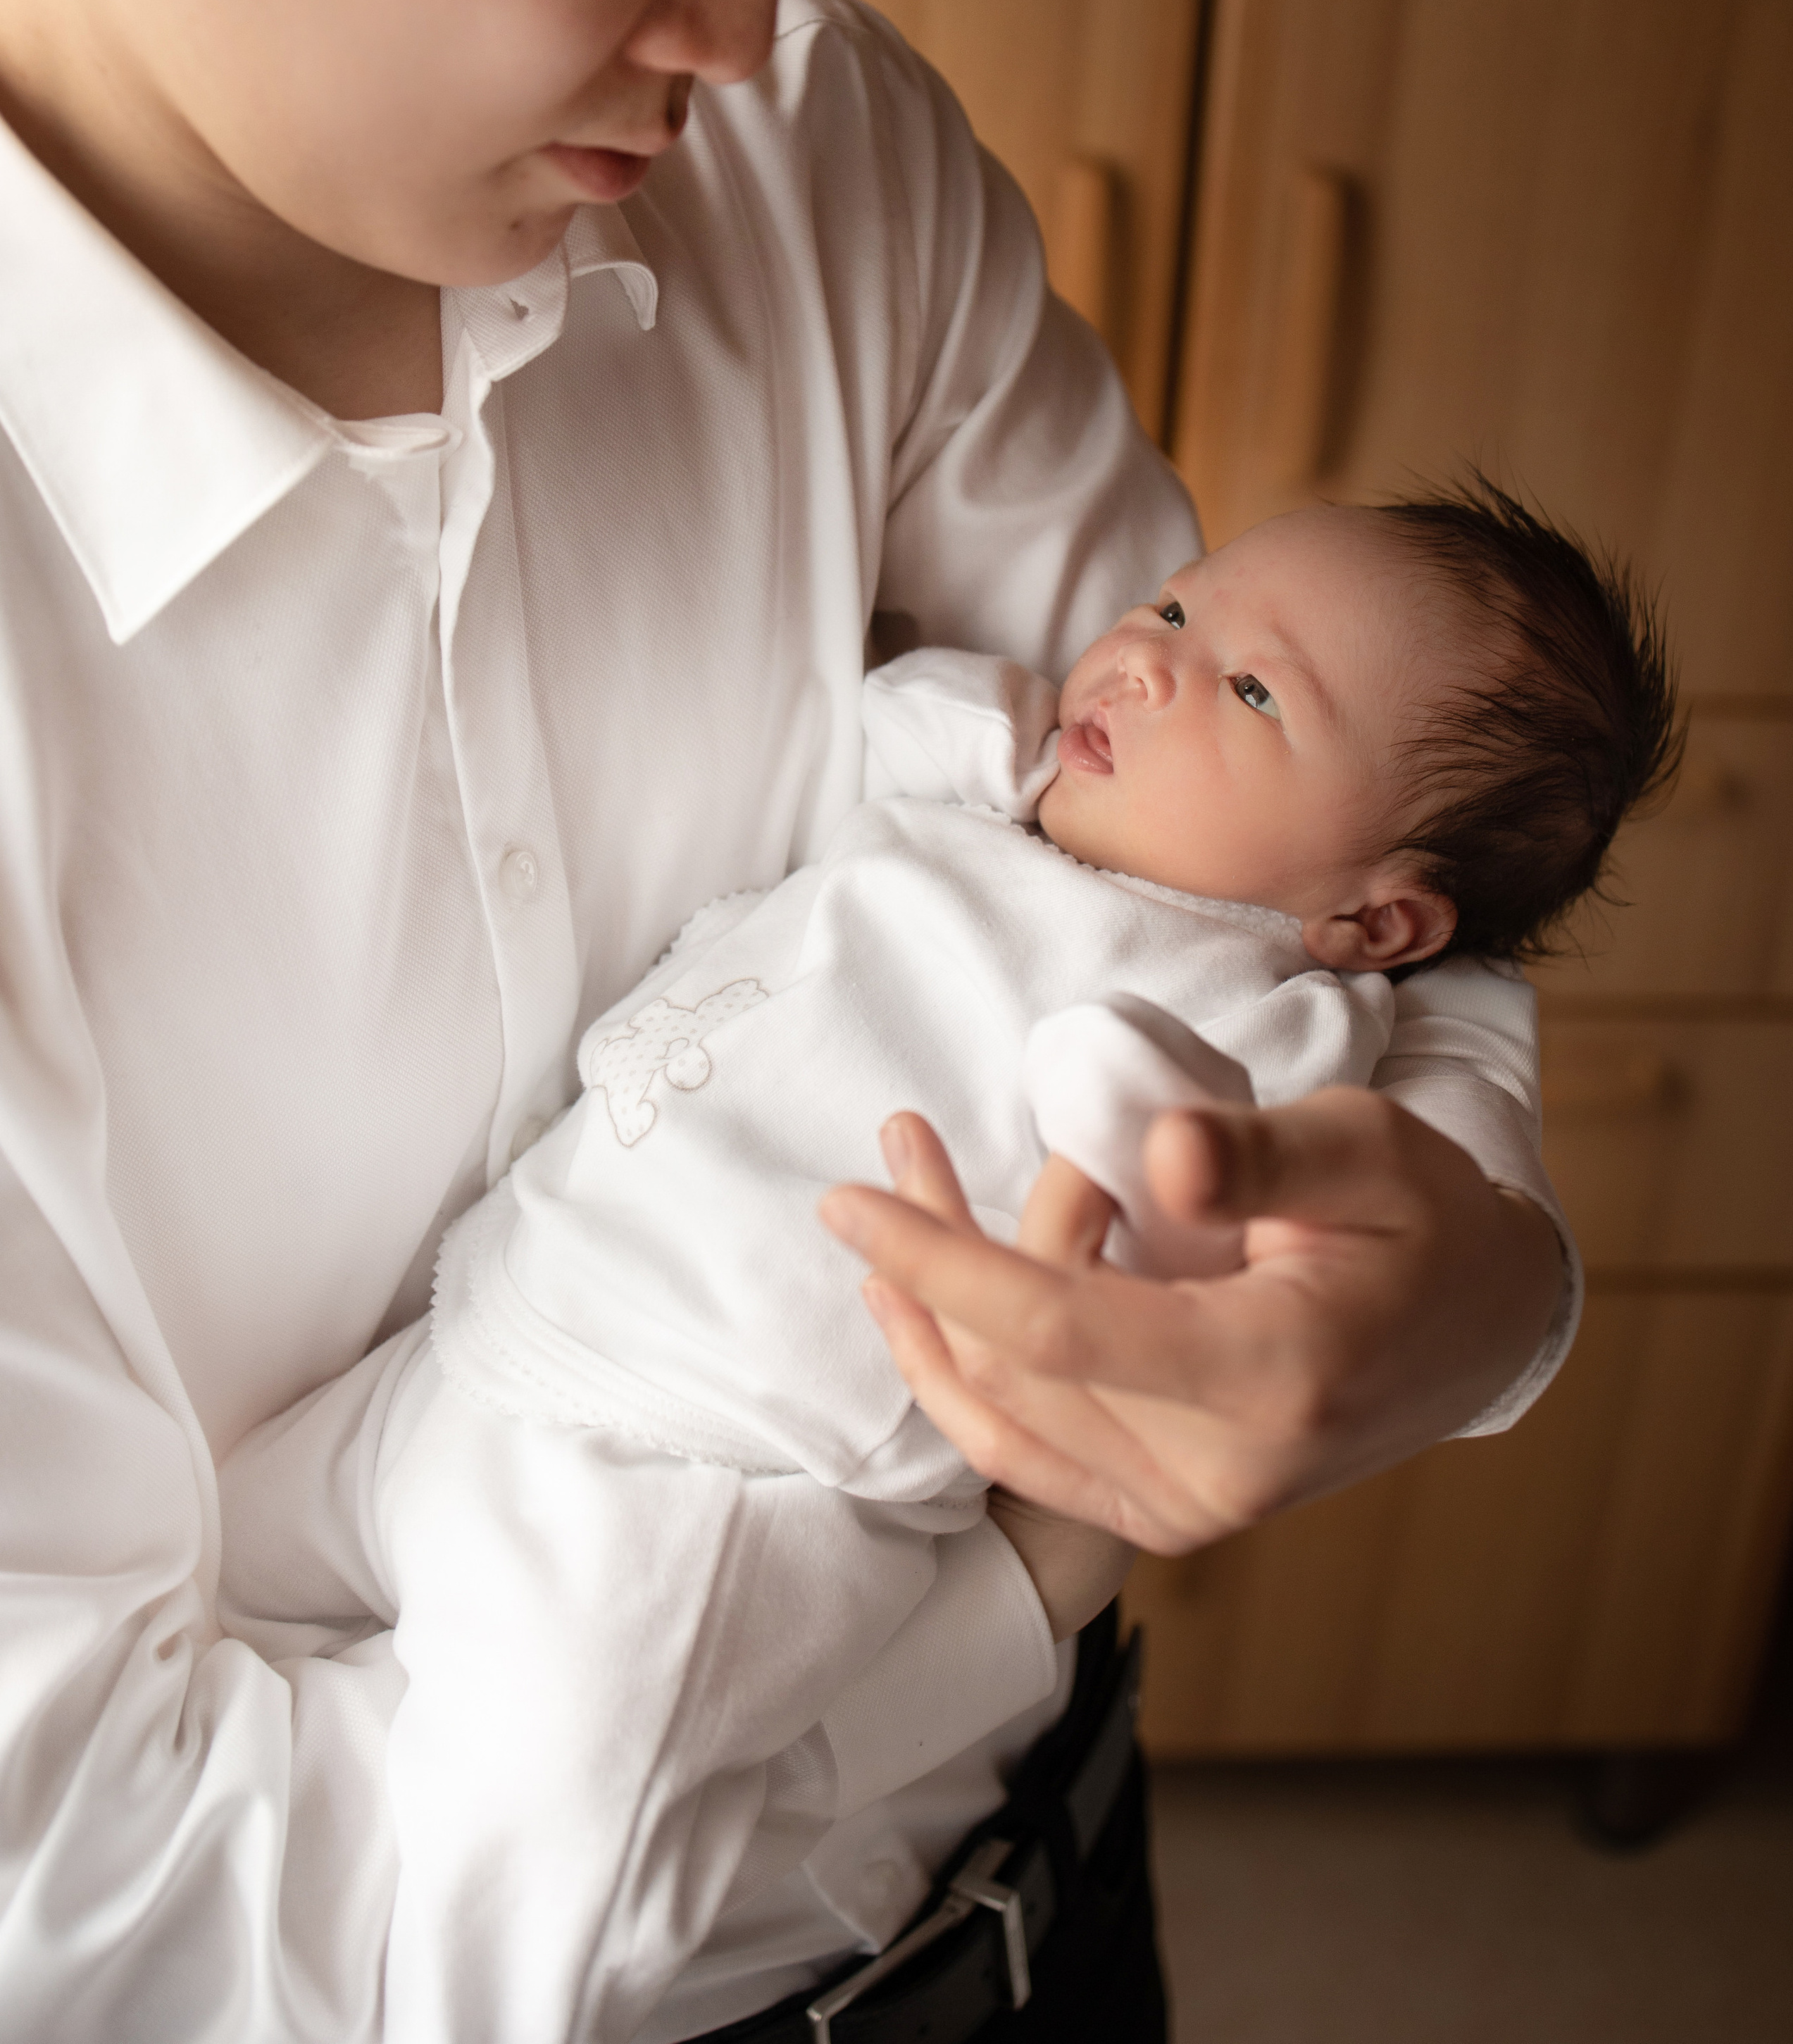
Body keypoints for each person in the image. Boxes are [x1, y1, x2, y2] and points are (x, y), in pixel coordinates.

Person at [0, 0, 1562, 2036]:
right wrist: (1007, 1591)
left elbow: (1293, 836)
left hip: (1075, 1910)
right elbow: (116, 1910)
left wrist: (1485, 1275)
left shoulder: (825, 166)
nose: (748, 16)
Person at [216, 488, 1674, 2044]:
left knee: (536, 1839)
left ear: (1371, 921)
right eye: (1177, 606)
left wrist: (1160, 1143)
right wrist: (993, 725)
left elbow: (1210, 1217)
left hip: (710, 1483)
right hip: (503, 1321)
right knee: (228, 1563)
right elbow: (893, 714)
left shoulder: (1257, 1011)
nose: (1146, 663)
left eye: (1253, 693)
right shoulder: (1006, 795)